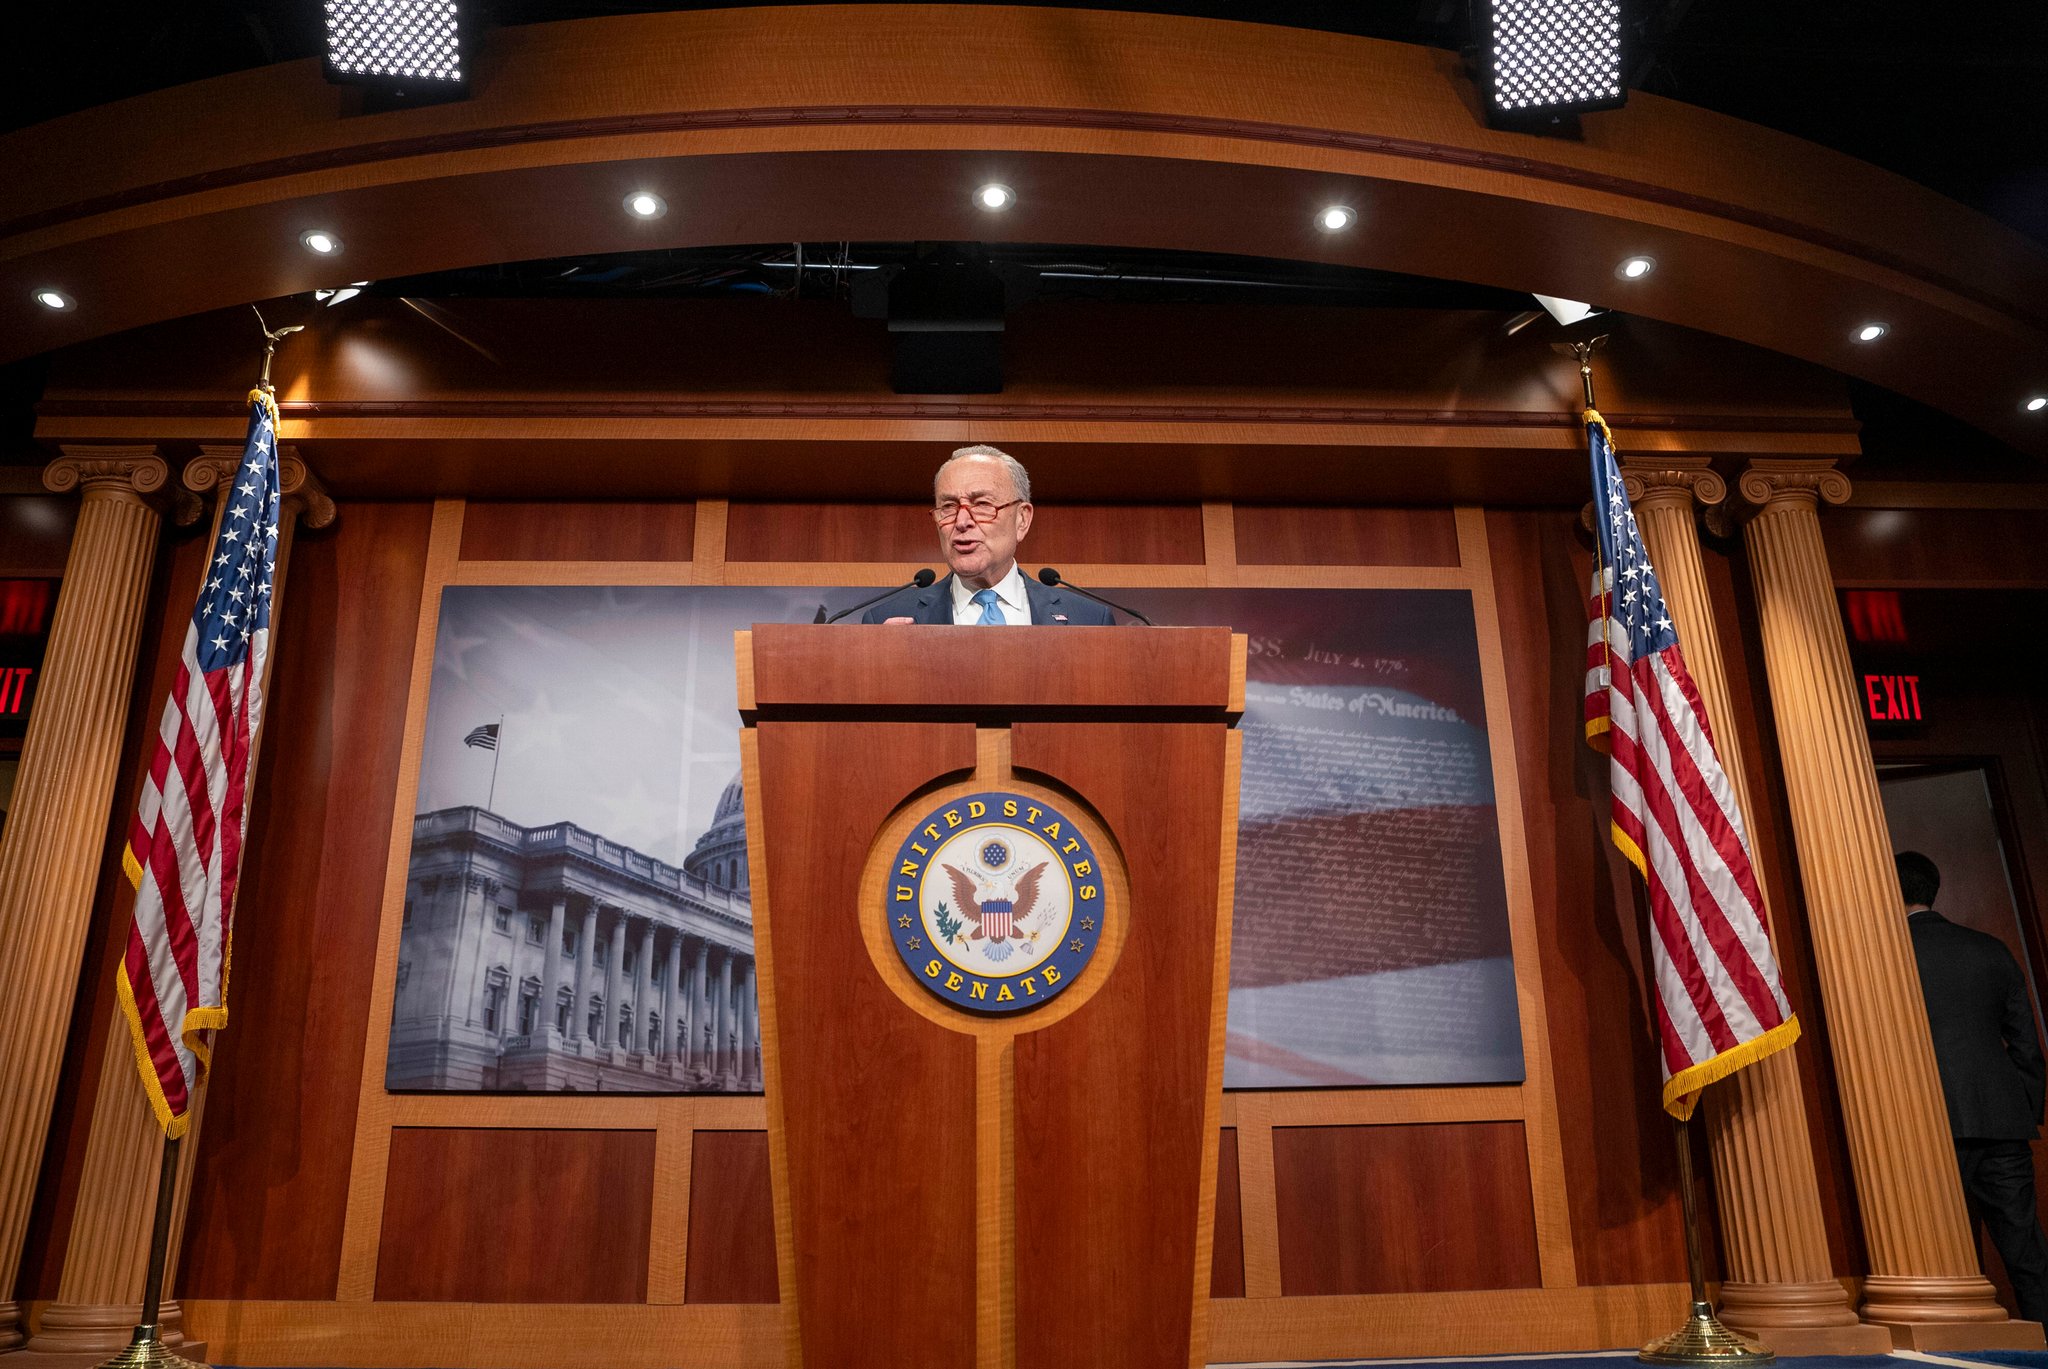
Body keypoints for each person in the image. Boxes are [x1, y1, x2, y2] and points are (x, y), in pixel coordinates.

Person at [1899, 849, 2048, 1324]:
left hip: (1931, 1125)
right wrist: (2022, 1109)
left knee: (1954, 1258)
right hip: (2003, 1122)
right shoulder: (1991, 948)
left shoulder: (1888, 958)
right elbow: (2026, 1043)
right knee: (2027, 1253)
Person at [862, 444, 1114, 625]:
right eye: (948, 507)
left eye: (982, 505)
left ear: (1022, 519)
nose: (961, 522)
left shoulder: (1090, 620)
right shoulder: (886, 622)